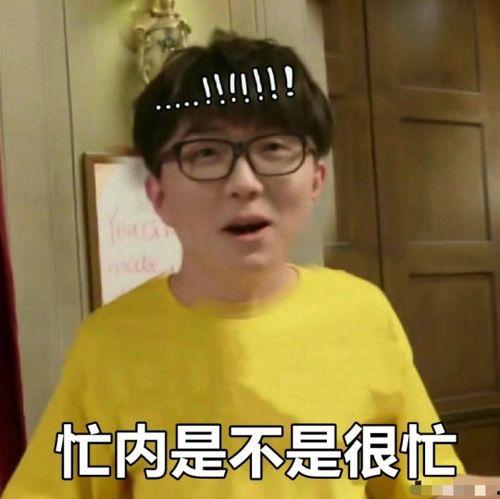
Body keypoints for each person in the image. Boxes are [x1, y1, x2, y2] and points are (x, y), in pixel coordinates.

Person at [2, 29, 495, 499]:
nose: (244, 182)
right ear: (159, 195)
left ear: (316, 179)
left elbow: (428, 484)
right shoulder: (110, 344)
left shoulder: (363, 313)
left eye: (273, 147)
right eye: (206, 153)